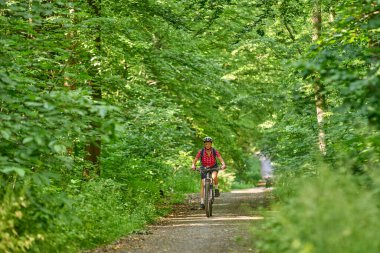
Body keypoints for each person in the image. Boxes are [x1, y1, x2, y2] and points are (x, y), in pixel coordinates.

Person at [191, 136, 226, 209]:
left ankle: (216, 189)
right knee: (203, 184)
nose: (208, 145)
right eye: (206, 144)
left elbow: (220, 158)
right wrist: (193, 165)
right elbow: (196, 159)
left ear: (211, 144)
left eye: (209, 143)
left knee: (214, 176)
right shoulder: (201, 151)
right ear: (204, 144)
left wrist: (223, 164)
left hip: (213, 167)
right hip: (204, 167)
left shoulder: (214, 151)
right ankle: (202, 203)